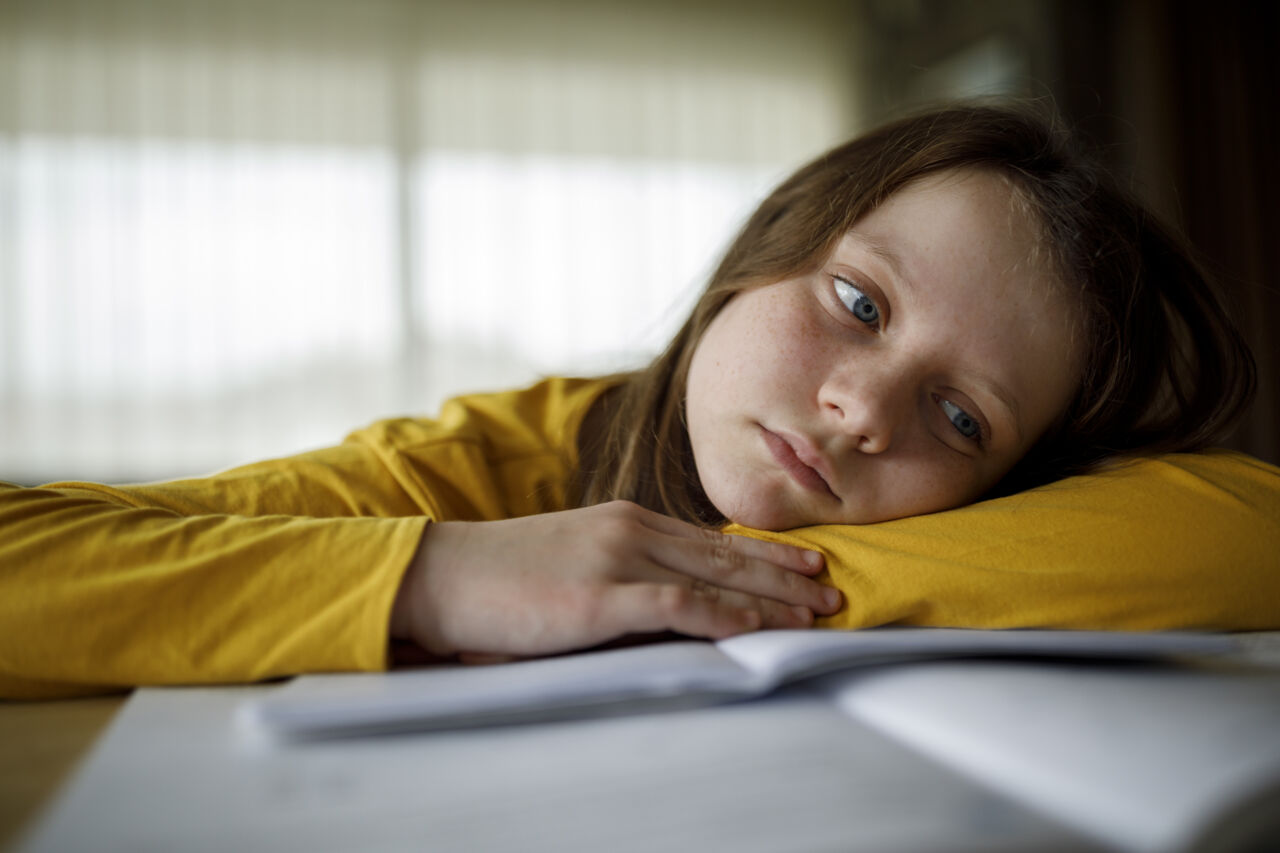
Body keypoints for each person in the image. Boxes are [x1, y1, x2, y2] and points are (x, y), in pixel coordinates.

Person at [1, 102, 1275, 700]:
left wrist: (715, 586)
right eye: (859, 303)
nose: (858, 410)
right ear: (762, 251)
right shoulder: (483, 463)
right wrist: (437, 576)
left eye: (960, 420)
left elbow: (1246, 521)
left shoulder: (958, 544)